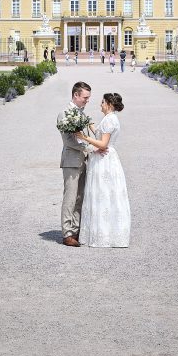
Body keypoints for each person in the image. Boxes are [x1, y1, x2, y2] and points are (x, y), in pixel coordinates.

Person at [75, 92, 130, 248]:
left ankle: (103, 233)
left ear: (109, 104)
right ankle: (111, 232)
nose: (100, 104)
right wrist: (88, 123)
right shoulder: (110, 119)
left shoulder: (109, 120)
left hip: (104, 159)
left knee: (102, 193)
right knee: (108, 193)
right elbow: (99, 134)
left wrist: (82, 137)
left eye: (102, 102)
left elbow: (103, 144)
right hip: (108, 158)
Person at [58, 82, 92, 247]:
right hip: (71, 161)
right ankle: (67, 233)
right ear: (76, 95)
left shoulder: (81, 114)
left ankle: (76, 230)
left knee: (80, 197)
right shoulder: (65, 114)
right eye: (85, 97)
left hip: (83, 160)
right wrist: (90, 148)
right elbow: (69, 140)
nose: (87, 101)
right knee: (70, 198)